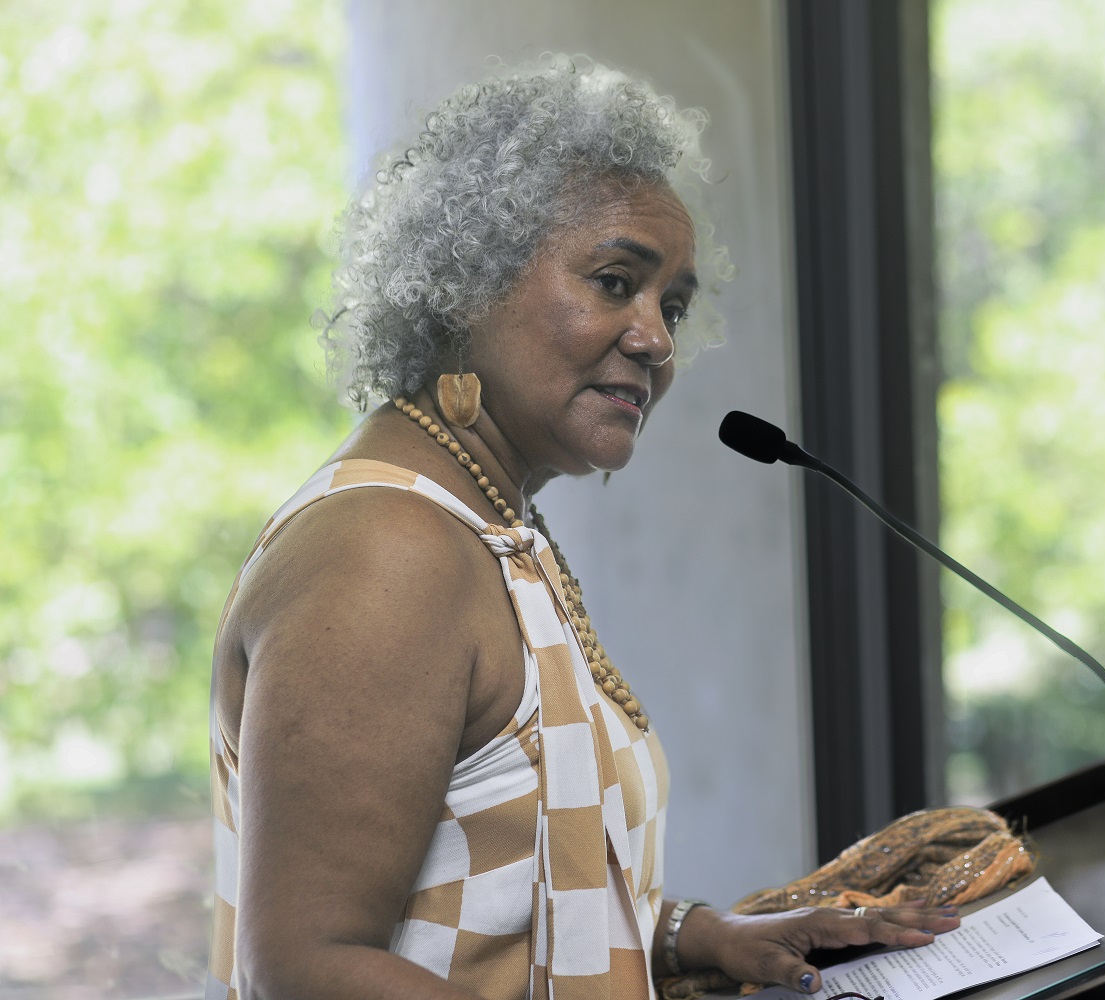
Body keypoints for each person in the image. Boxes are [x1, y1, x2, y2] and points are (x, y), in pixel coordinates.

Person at [206, 58, 960, 1000]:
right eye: (614, 282)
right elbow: (307, 973)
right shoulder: (388, 550)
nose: (656, 340)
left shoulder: (488, 520)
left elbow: (505, 890)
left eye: (671, 306)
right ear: (467, 285)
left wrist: (694, 934)